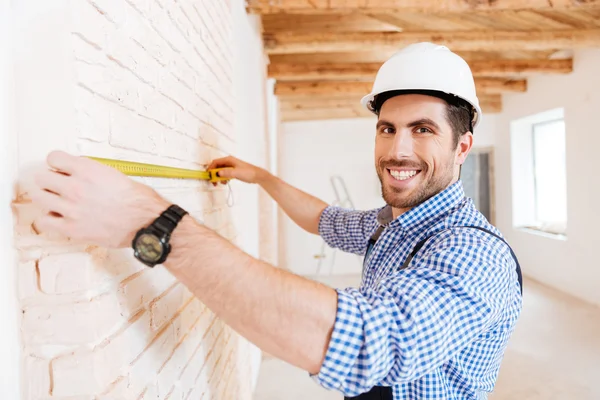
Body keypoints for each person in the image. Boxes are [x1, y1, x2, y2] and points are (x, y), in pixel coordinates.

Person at [28, 42, 522, 399]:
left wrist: (153, 222)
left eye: (423, 130)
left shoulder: (475, 253)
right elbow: (325, 220)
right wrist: (261, 177)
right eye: (387, 128)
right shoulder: (390, 224)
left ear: (462, 146)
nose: (397, 149)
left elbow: (367, 343)